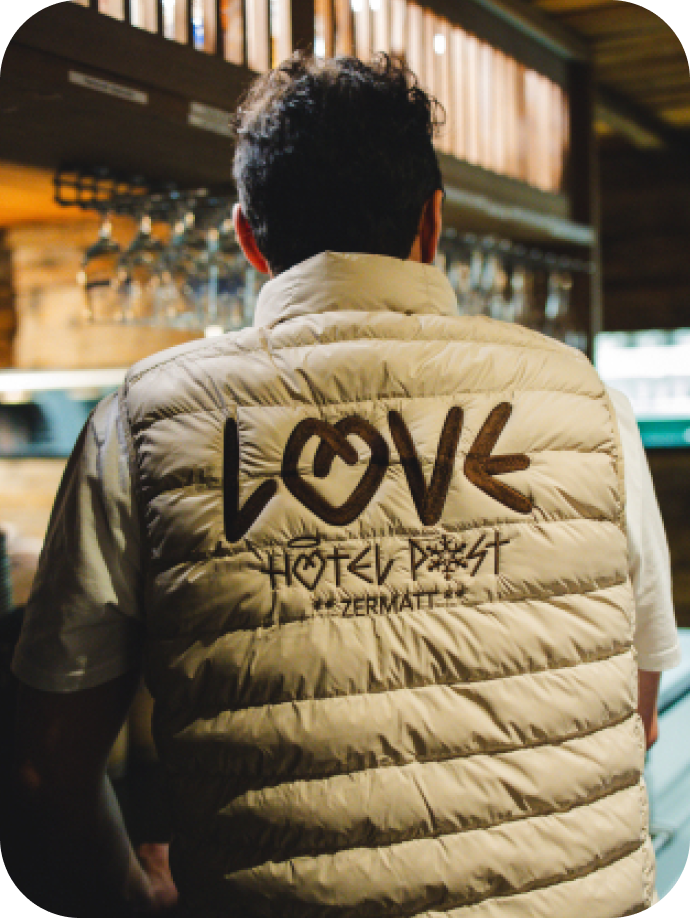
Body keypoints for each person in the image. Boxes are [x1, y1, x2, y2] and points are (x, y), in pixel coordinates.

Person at [4, 54, 681, 917]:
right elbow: (636, 718)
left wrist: (140, 896)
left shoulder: (138, 420)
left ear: (248, 239)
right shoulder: (587, 400)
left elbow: (46, 772)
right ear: (433, 220)